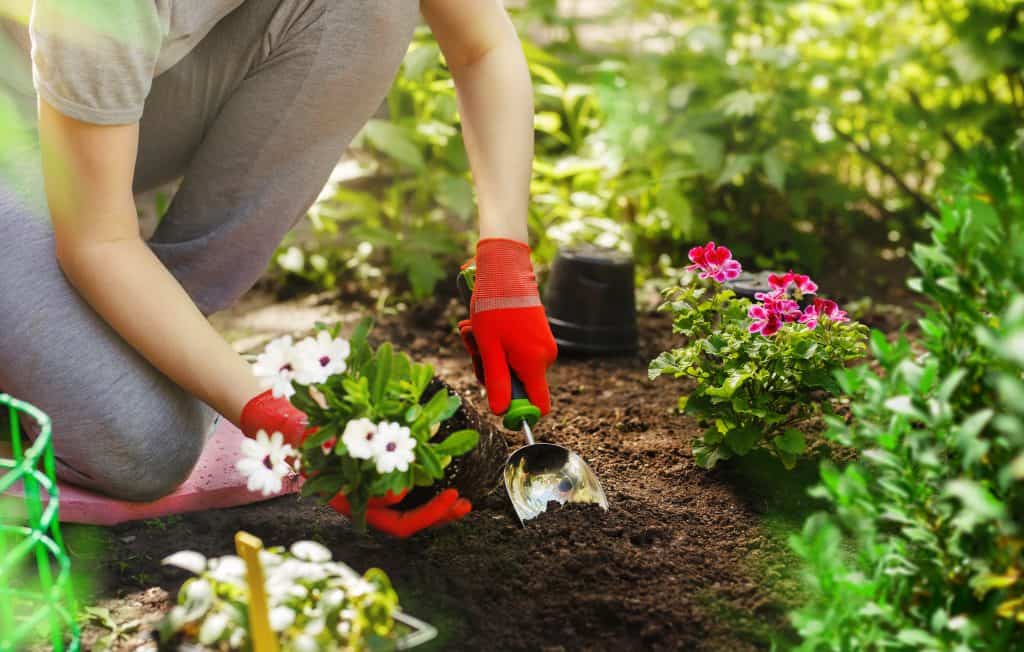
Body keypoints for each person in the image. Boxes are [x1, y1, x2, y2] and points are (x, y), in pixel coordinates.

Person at [0, 0, 558, 536]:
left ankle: (132, 341)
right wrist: (271, 417)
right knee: (146, 447)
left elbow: (481, 44)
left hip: (72, 107)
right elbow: (99, 242)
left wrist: (504, 262)